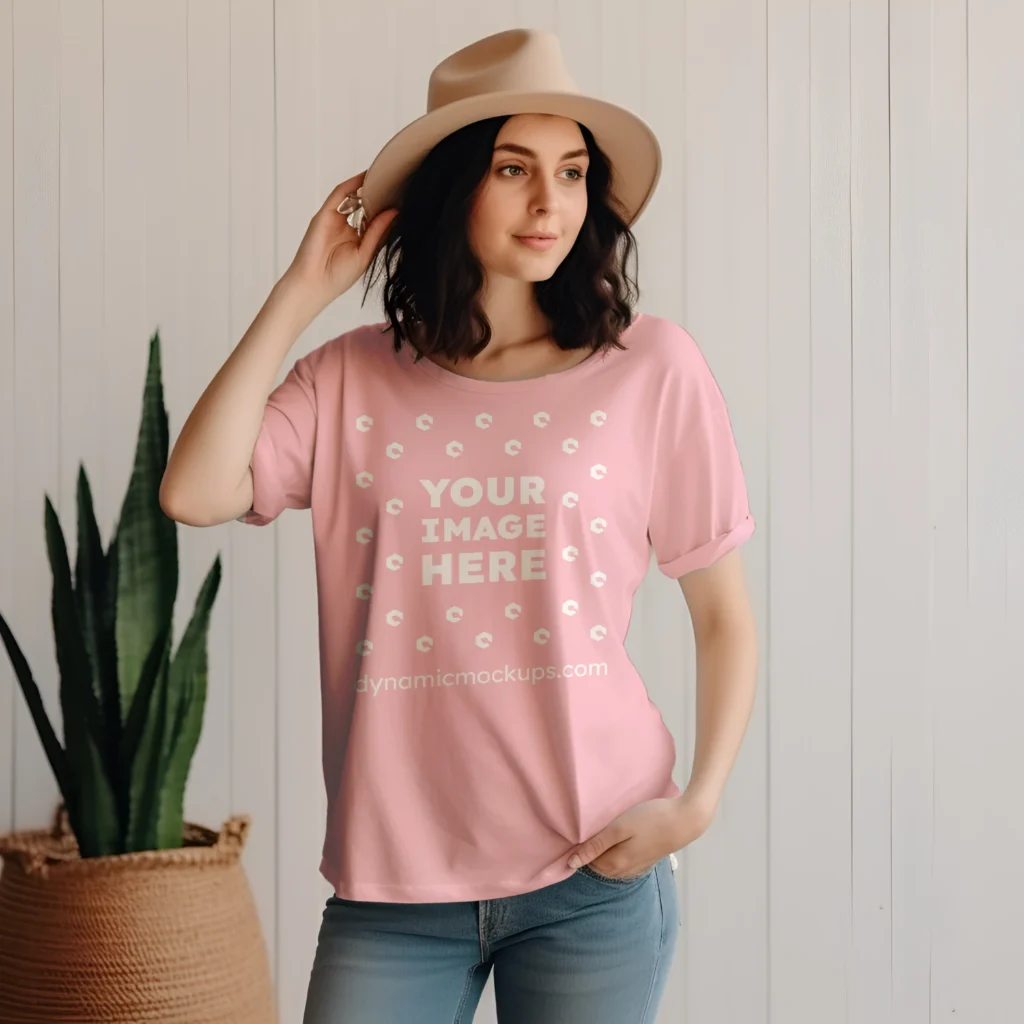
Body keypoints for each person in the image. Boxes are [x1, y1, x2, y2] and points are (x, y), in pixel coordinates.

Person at [160, 28, 758, 1024]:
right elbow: (193, 492)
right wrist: (303, 289)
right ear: (451, 190)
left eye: (570, 172)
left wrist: (694, 804)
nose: (548, 202)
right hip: (393, 889)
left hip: (592, 870)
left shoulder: (652, 368)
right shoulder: (352, 376)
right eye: (512, 168)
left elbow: (722, 615)